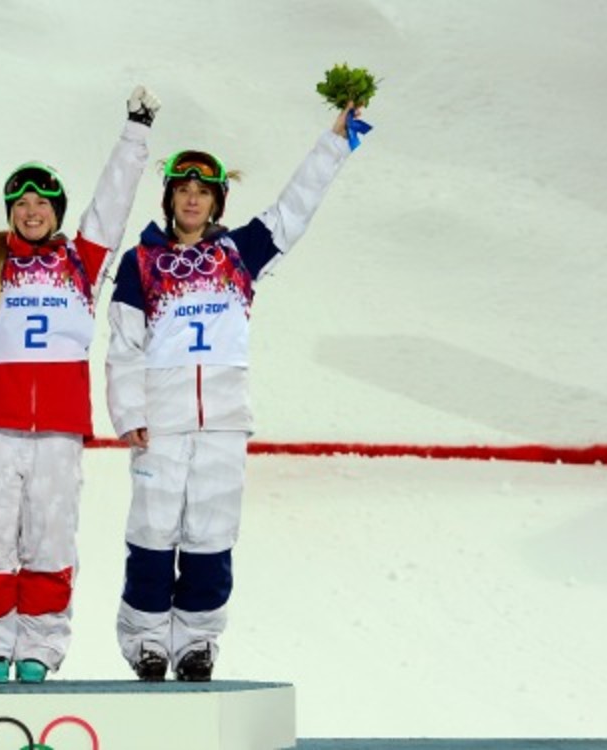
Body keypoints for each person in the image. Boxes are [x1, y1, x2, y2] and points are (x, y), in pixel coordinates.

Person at [106, 104, 369, 681]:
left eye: (204, 192)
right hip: (162, 420)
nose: (193, 200)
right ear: (170, 199)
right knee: (152, 532)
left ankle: (198, 641)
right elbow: (124, 344)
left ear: (218, 202)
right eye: (184, 190)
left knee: (211, 532)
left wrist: (335, 141)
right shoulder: (141, 262)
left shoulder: (239, 254)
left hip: (223, 419)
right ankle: (146, 639)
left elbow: (294, 209)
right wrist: (127, 412)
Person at [0, 79, 160, 683]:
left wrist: (136, 132)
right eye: (20, 203)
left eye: (41, 204)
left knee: (50, 539)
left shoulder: (84, 261)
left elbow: (113, 202)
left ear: (57, 213)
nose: (30, 211)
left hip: (59, 428)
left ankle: (42, 646)